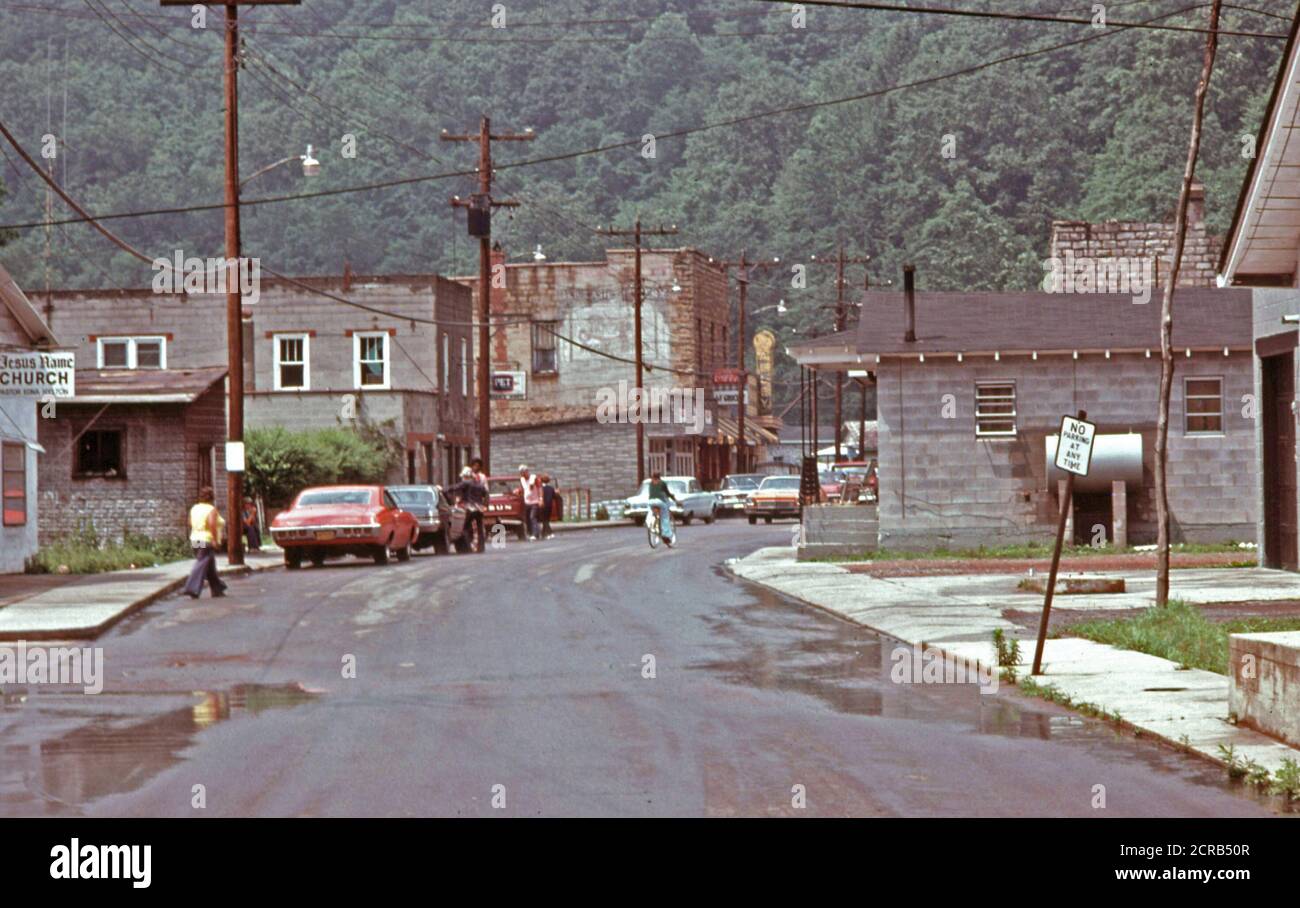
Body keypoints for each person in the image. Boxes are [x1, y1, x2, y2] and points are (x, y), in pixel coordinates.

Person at [183, 486, 227, 599]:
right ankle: (191, 588)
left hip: (195, 540)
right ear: (212, 497)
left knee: (209, 566)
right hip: (206, 540)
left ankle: (217, 589)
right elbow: (212, 524)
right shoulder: (211, 509)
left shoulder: (194, 508)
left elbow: (190, 523)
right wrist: (214, 539)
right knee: (202, 562)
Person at [646, 471, 678, 542]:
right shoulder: (662, 483)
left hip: (650, 501)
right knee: (665, 517)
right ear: (659, 476)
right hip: (659, 501)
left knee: (651, 511)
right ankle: (665, 535)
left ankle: (651, 523)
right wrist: (674, 499)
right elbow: (667, 493)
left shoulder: (650, 483)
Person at [519, 464, 541, 541]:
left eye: (523, 472)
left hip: (535, 501)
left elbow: (540, 488)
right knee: (527, 519)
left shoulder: (533, 478)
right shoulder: (521, 479)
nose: (522, 474)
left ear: (527, 471)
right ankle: (531, 533)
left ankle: (535, 534)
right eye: (521, 472)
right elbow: (523, 489)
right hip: (527, 501)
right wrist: (518, 491)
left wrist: (541, 499)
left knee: (532, 517)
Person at [539, 474, 556, 540]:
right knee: (546, 519)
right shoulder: (551, 488)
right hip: (549, 506)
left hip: (542, 505)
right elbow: (554, 497)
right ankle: (543, 534)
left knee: (544, 520)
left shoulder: (540, 488)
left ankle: (550, 532)